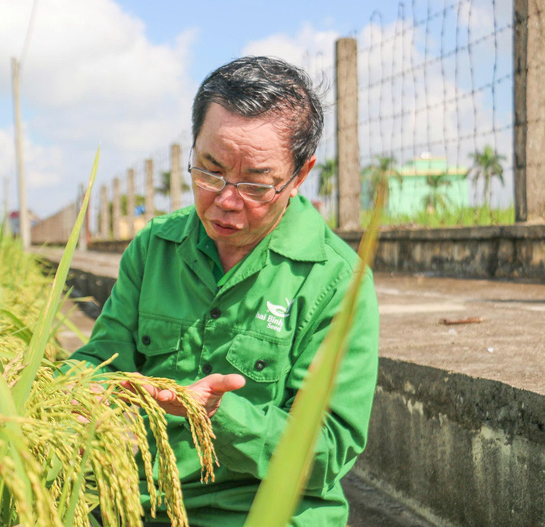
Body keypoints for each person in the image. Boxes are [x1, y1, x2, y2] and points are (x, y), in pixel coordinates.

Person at [70, 56, 379, 527]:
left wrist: (218, 415)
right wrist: (74, 391)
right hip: (142, 503)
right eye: (209, 172)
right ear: (193, 148)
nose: (225, 200)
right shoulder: (155, 248)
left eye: (256, 184)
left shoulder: (337, 283)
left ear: (299, 175)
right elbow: (102, 360)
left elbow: (328, 449)